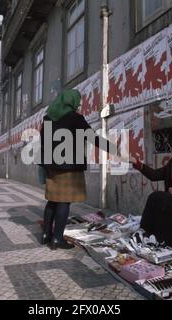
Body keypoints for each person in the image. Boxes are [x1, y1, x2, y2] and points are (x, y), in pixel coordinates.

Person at [39, 89, 114, 250]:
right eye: (78, 101)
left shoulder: (47, 118)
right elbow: (92, 137)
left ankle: (46, 235)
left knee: (52, 200)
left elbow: (43, 143)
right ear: (72, 102)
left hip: (51, 167)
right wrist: (114, 149)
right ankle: (57, 239)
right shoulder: (75, 118)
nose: (79, 105)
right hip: (68, 167)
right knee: (64, 201)